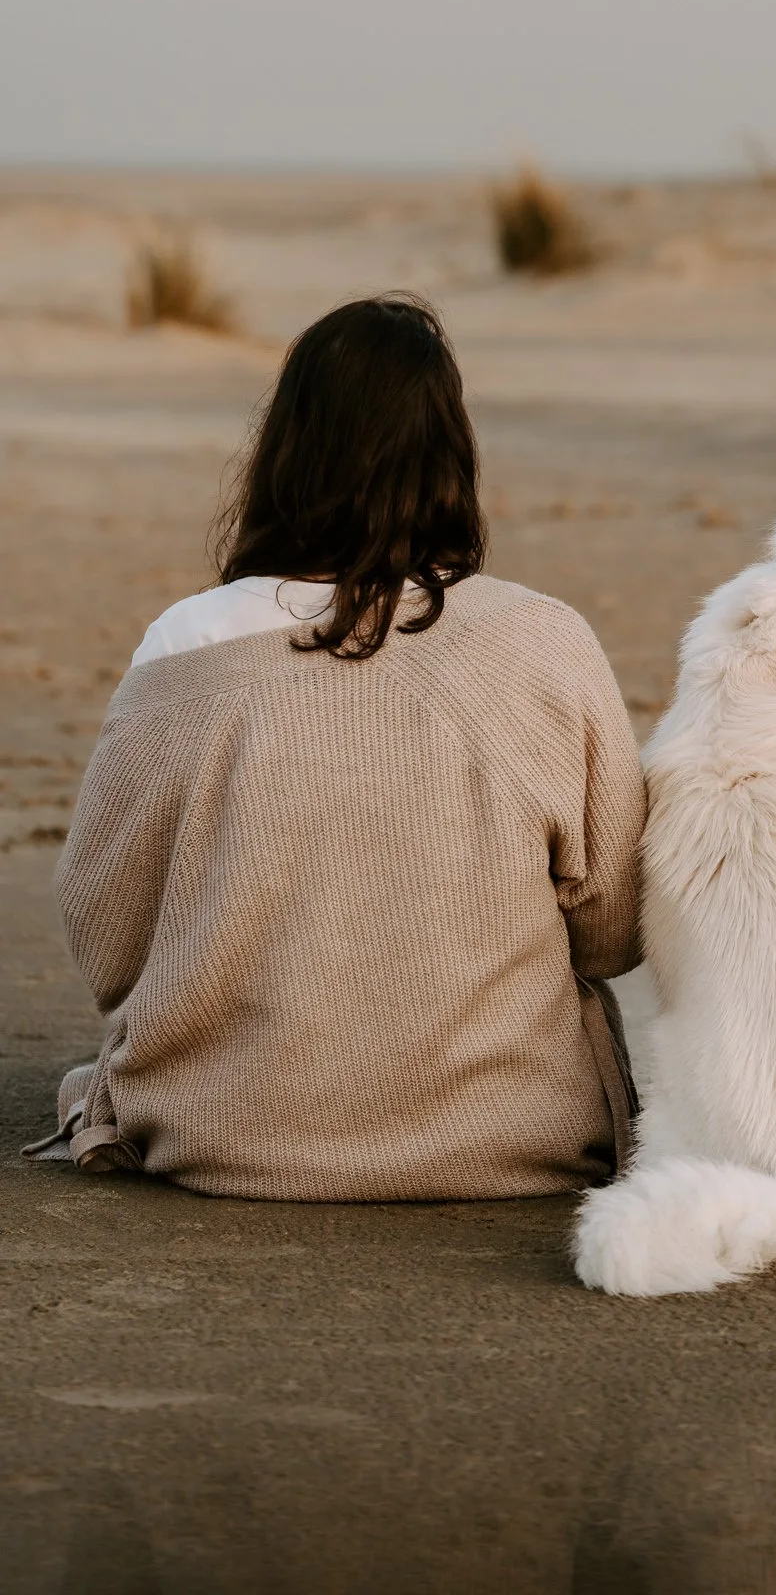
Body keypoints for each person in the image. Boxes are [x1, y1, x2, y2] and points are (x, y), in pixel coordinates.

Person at [28, 295, 645, 1200]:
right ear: (452, 455)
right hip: (518, 1137)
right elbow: (614, 927)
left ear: (285, 449)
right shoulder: (543, 641)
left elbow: (108, 931)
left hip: (224, 1133)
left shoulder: (185, 643)